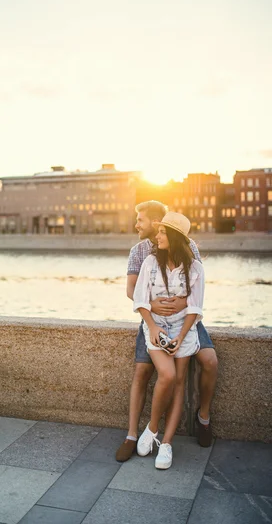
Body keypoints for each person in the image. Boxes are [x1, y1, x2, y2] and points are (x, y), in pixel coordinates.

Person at [115, 201, 218, 463]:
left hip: (185, 319)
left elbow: (195, 292)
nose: (136, 224)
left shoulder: (188, 247)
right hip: (153, 317)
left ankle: (202, 418)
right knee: (142, 371)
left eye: (141, 220)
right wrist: (152, 308)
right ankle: (132, 435)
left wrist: (182, 303)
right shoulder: (140, 253)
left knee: (208, 360)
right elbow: (132, 292)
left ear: (159, 223)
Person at [133, 211, 204, 469]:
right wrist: (151, 327)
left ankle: (167, 443)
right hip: (156, 329)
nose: (158, 236)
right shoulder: (151, 262)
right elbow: (140, 299)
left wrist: (182, 336)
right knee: (168, 375)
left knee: (179, 384)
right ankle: (152, 429)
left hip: (184, 330)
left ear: (174, 237)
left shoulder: (195, 268)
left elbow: (195, 307)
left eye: (163, 232)